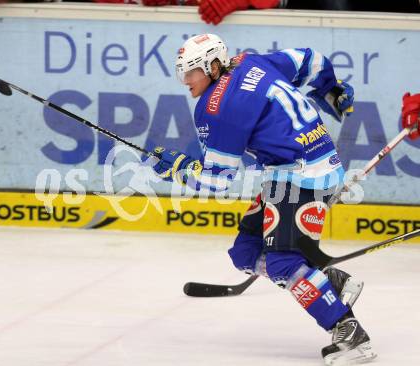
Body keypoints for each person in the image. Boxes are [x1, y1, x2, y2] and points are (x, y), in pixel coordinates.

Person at [144, 33, 376, 365]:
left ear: (212, 66)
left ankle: (349, 332)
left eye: (192, 71)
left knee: (282, 262)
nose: (186, 81)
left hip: (304, 175)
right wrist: (329, 87)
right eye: (182, 72)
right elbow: (310, 58)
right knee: (245, 252)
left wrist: (178, 168)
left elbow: (216, 182)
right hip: (294, 170)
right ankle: (329, 283)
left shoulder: (217, 108)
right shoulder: (249, 61)